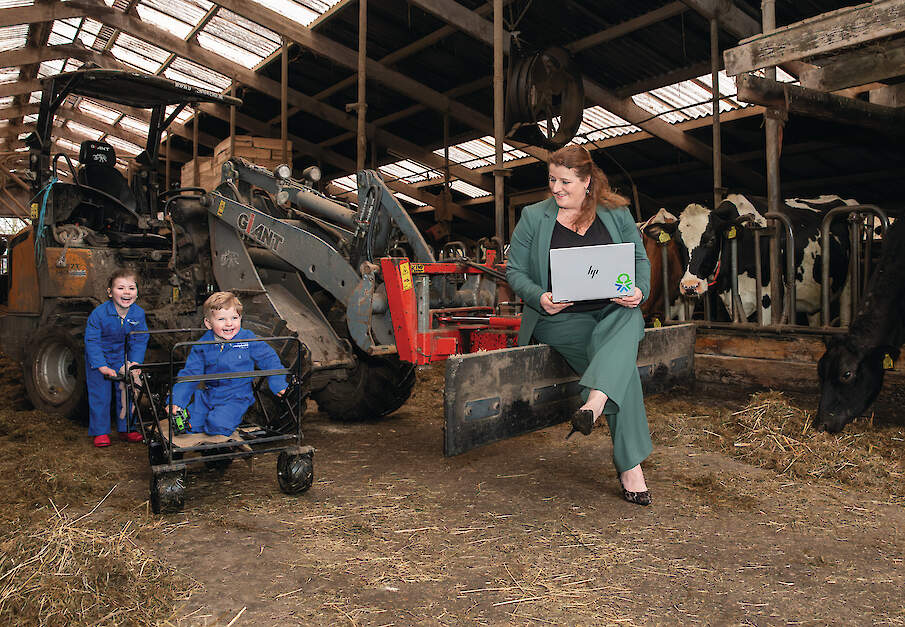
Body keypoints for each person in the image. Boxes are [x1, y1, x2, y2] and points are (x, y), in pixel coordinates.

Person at [506, 145, 653, 506]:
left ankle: (595, 402)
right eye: (552, 179)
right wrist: (541, 297)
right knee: (622, 370)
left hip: (611, 312)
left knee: (630, 315)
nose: (556, 188)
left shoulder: (616, 213)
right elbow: (515, 272)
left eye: (565, 181)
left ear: (587, 182)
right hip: (561, 320)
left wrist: (638, 290)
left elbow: (638, 259)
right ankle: (630, 467)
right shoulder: (533, 217)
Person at [169, 292, 287, 437]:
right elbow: (190, 374)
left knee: (217, 424)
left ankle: (221, 451)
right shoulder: (202, 345)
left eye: (234, 318)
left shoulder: (247, 339)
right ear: (208, 323)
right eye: (221, 319)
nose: (229, 324)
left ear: (240, 318)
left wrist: (278, 382)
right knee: (189, 424)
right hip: (209, 394)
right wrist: (177, 399)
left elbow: (269, 359)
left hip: (236, 396)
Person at [84, 268, 149, 448]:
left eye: (131, 288)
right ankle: (101, 432)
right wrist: (101, 365)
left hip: (123, 357)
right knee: (100, 395)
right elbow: (92, 341)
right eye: (120, 288)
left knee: (128, 392)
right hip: (99, 359)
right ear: (110, 292)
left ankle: (127, 428)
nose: (126, 292)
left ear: (137, 292)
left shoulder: (138, 314)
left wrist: (134, 362)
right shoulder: (99, 314)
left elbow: (140, 339)